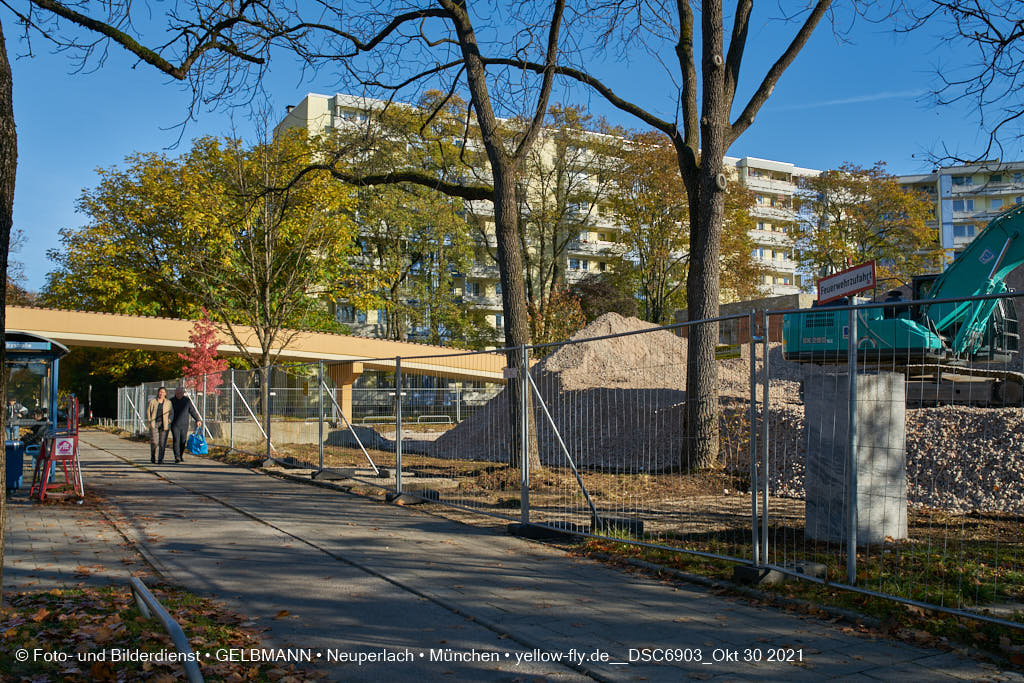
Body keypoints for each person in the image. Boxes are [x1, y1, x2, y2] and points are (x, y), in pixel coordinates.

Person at [169, 388, 203, 464]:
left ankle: (180, 455)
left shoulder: (186, 401)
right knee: (176, 440)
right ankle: (177, 457)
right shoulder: (171, 401)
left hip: (184, 424)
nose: (179, 394)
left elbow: (192, 411)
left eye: (180, 393)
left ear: (183, 393)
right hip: (174, 424)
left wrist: (197, 419)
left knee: (183, 441)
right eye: (177, 393)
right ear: (175, 393)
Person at [146, 387, 172, 464]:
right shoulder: (153, 401)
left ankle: (161, 459)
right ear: (158, 393)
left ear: (165, 393)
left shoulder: (168, 402)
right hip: (155, 423)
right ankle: (153, 456)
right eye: (160, 392)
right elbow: (148, 412)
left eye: (163, 392)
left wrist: (169, 420)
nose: (161, 393)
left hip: (164, 424)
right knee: (154, 441)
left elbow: (171, 413)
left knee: (162, 443)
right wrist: (150, 420)